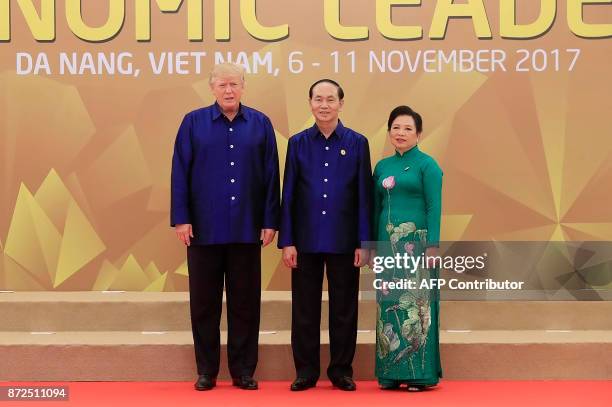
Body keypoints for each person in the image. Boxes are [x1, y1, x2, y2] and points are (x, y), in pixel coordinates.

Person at [170, 63, 280, 391]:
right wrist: (182, 217)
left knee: (245, 304)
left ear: (243, 87)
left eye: (234, 84)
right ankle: (206, 370)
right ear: (212, 88)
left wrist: (270, 221)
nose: (228, 90)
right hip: (203, 230)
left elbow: (272, 175)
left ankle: (243, 370)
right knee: (204, 304)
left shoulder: (260, 124)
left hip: (247, 229)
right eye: (222, 85)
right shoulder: (193, 123)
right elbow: (180, 171)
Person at [278, 79, 372, 391]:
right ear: (310, 103)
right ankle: (305, 371)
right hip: (305, 241)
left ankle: (341, 370)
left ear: (341, 104)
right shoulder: (298, 143)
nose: (324, 105)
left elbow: (364, 196)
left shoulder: (358, 143)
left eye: (330, 99)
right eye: (318, 99)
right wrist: (287, 241)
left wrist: (364, 241)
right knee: (304, 309)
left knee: (344, 309)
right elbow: (288, 194)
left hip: (345, 241)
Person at [372, 105, 443, 390]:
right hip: (386, 245)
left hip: (418, 245)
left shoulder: (428, 165)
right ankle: (389, 372)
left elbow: (434, 206)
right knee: (388, 304)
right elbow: (375, 206)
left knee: (417, 304)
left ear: (419, 134)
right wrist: (372, 245)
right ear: (389, 131)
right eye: (396, 128)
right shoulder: (381, 167)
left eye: (407, 128)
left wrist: (433, 245)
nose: (400, 133)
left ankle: (420, 375)